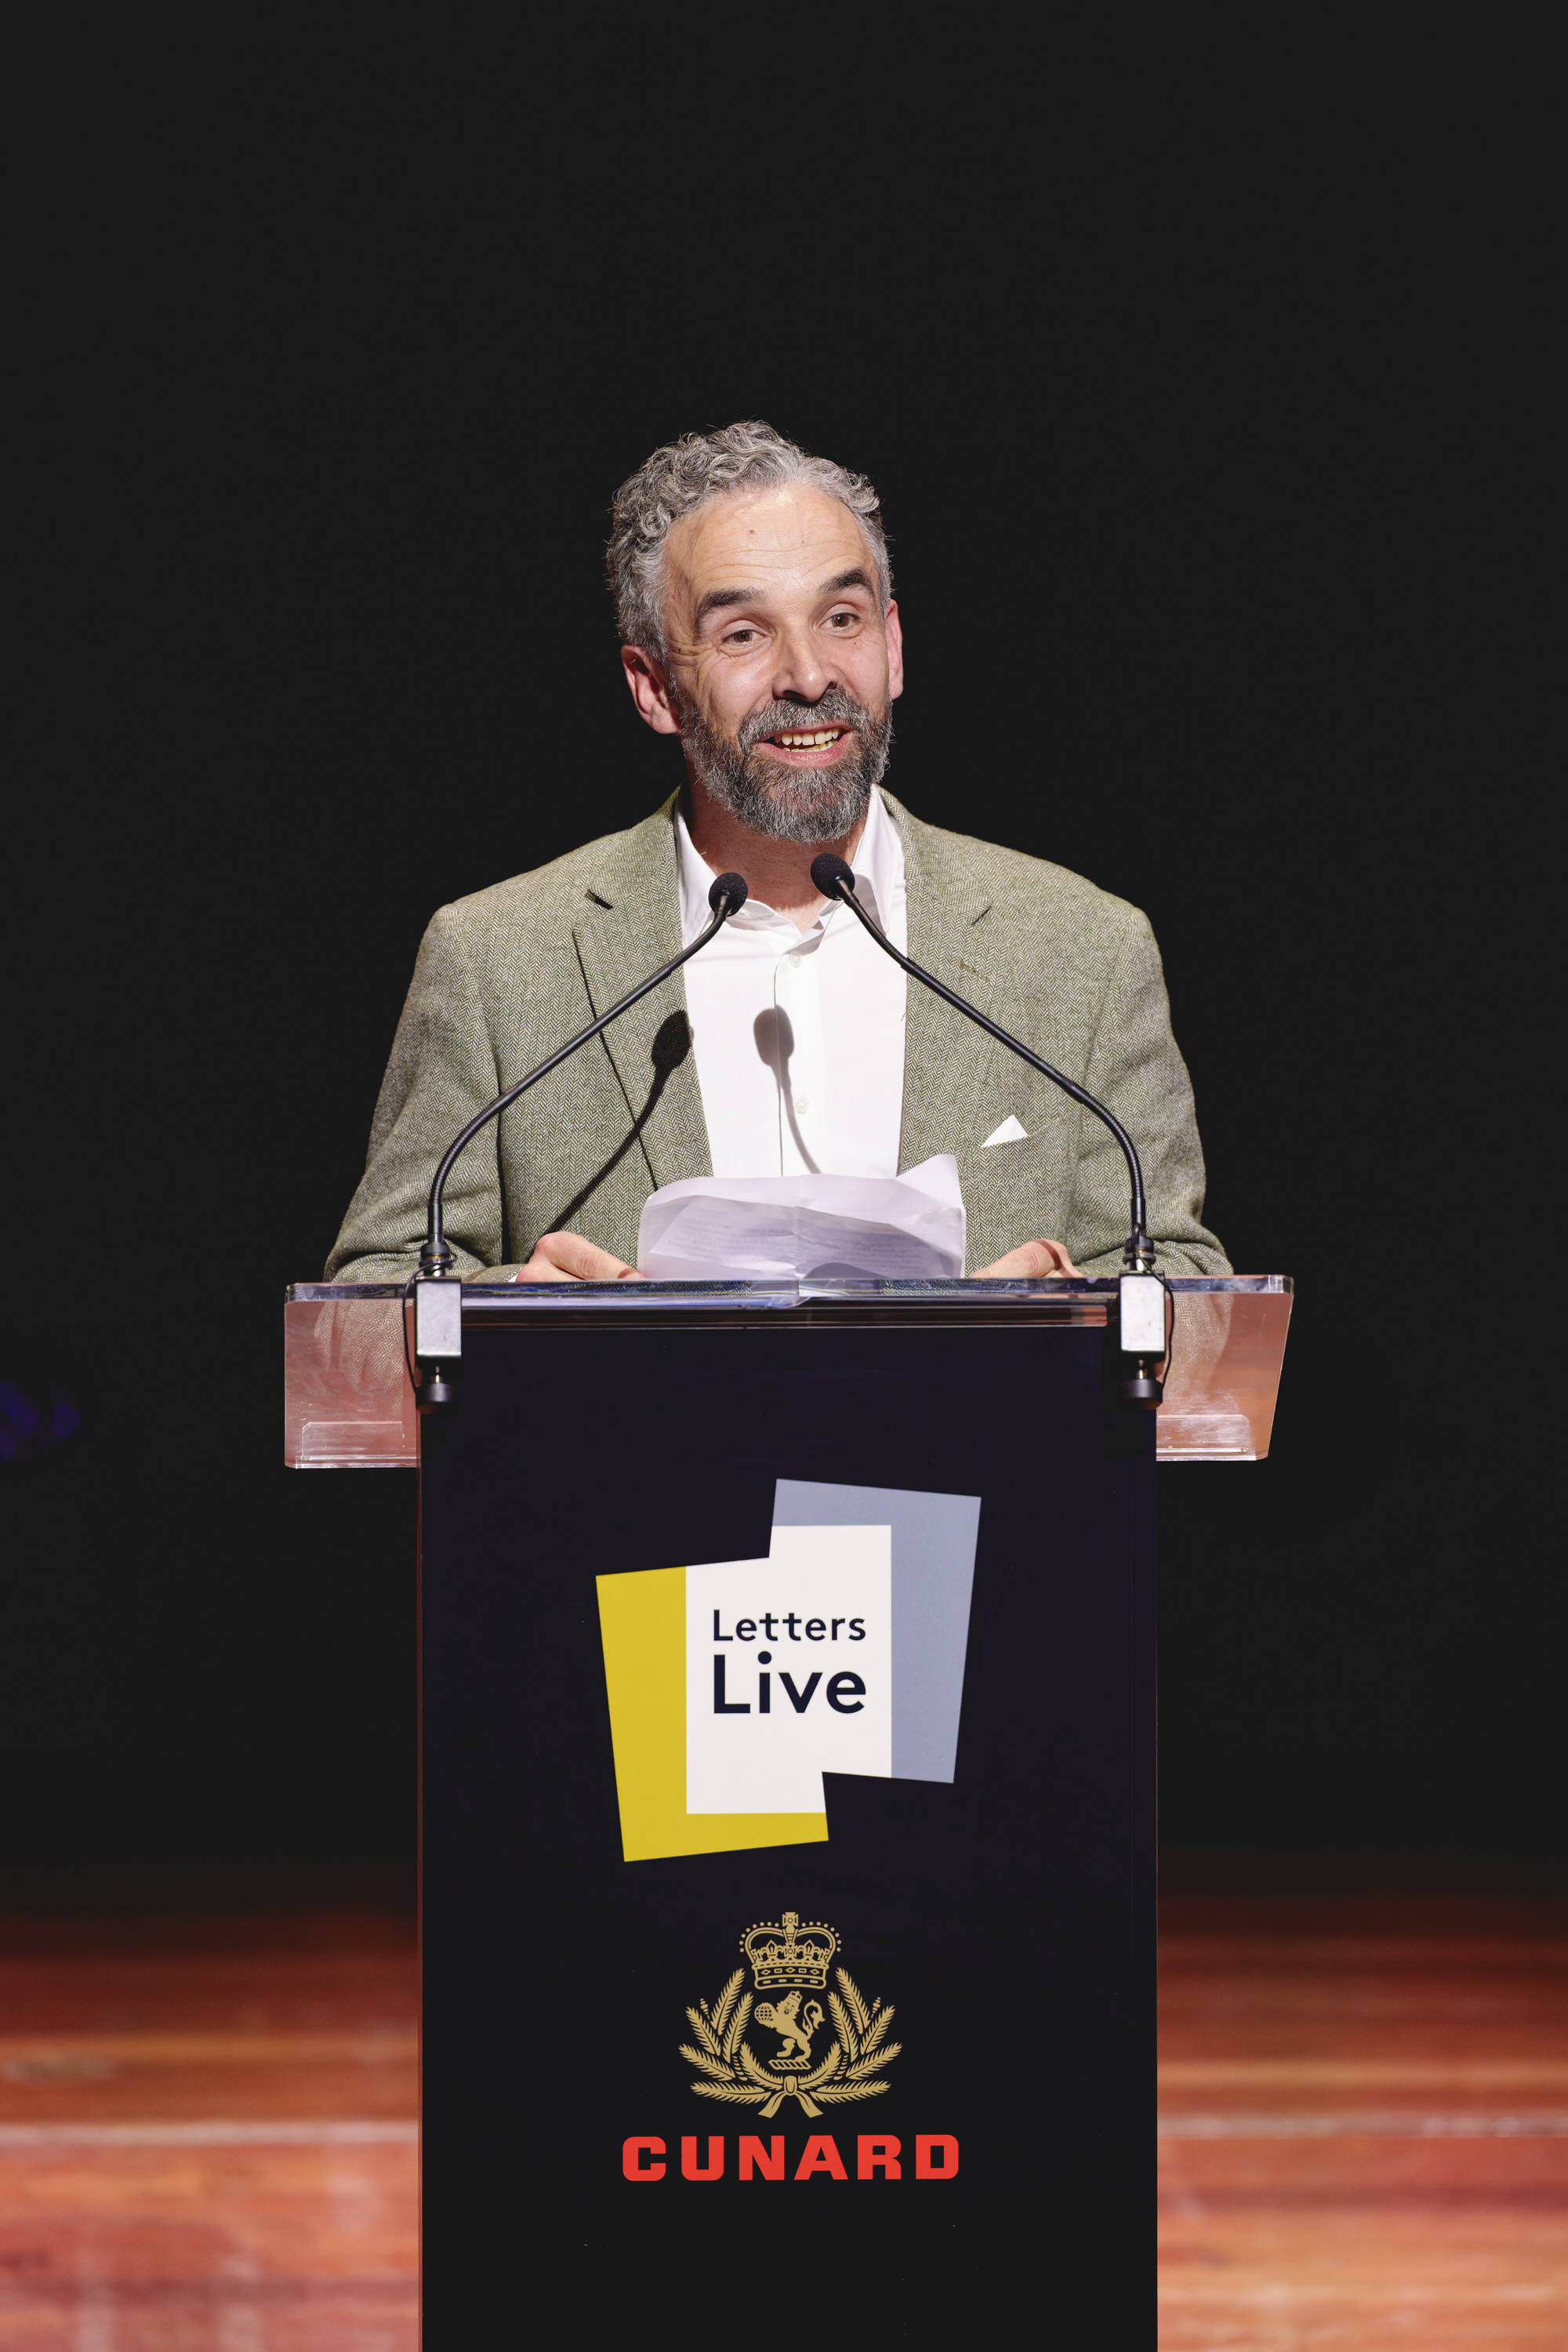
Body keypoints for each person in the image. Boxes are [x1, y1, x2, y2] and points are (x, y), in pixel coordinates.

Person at [327, 422, 1227, 1284]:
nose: (806, 675)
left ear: (894, 644)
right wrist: (516, 1317)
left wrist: (1046, 1324)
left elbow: (1180, 1276)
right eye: (743, 635)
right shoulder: (495, 959)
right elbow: (372, 1299)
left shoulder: (1083, 948)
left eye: (841, 618)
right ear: (653, 688)